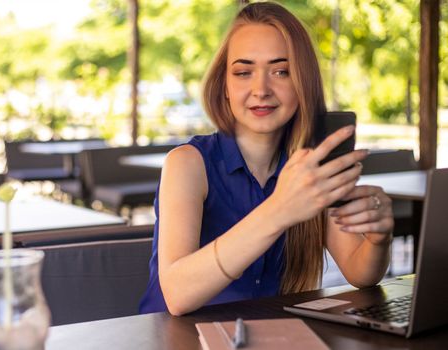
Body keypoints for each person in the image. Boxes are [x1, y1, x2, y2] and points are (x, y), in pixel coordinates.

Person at [139, 1, 394, 316]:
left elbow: (360, 272)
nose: (261, 89)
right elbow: (177, 295)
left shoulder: (309, 166)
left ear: (303, 84)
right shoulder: (187, 164)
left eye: (281, 71)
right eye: (244, 72)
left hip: (268, 335)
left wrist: (379, 238)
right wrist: (279, 210)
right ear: (225, 87)